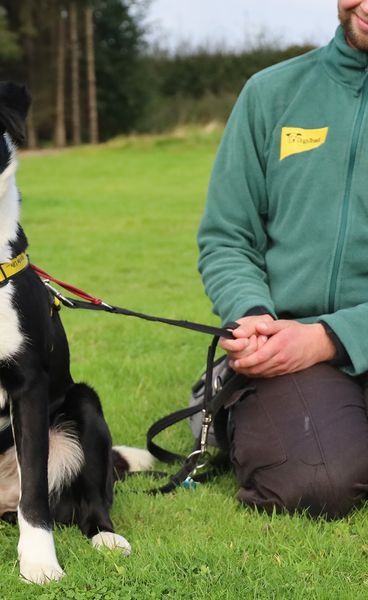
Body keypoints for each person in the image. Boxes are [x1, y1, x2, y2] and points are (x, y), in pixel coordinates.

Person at [197, 0, 368, 518]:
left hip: (330, 338)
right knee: (317, 481)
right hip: (286, 342)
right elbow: (228, 237)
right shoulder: (271, 93)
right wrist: (253, 315)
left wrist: (331, 337)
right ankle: (234, 400)